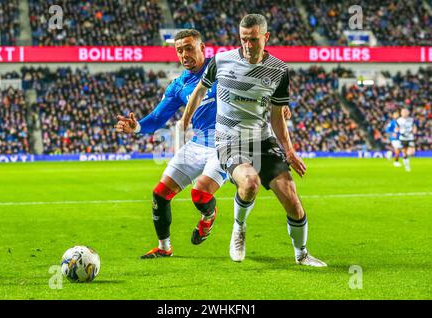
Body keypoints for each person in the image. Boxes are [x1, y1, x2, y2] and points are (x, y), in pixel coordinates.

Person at [181, 14, 326, 267]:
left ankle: (301, 253)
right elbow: (200, 90)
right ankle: (239, 228)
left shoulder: (279, 70)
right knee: (249, 183)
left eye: (254, 40)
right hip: (229, 140)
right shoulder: (222, 60)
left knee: (291, 197)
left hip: (262, 139)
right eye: (243, 39)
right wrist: (184, 122)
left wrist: (289, 151)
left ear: (266, 37)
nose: (248, 45)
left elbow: (277, 115)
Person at [114, 29, 226, 259]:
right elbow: (156, 119)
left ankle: (208, 216)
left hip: (227, 143)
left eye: (188, 48)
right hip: (197, 144)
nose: (184, 54)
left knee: (200, 195)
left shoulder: (222, 66)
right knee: (160, 194)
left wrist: (279, 103)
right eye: (179, 50)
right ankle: (164, 248)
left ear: (202, 48)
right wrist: (135, 127)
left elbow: (255, 70)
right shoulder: (178, 85)